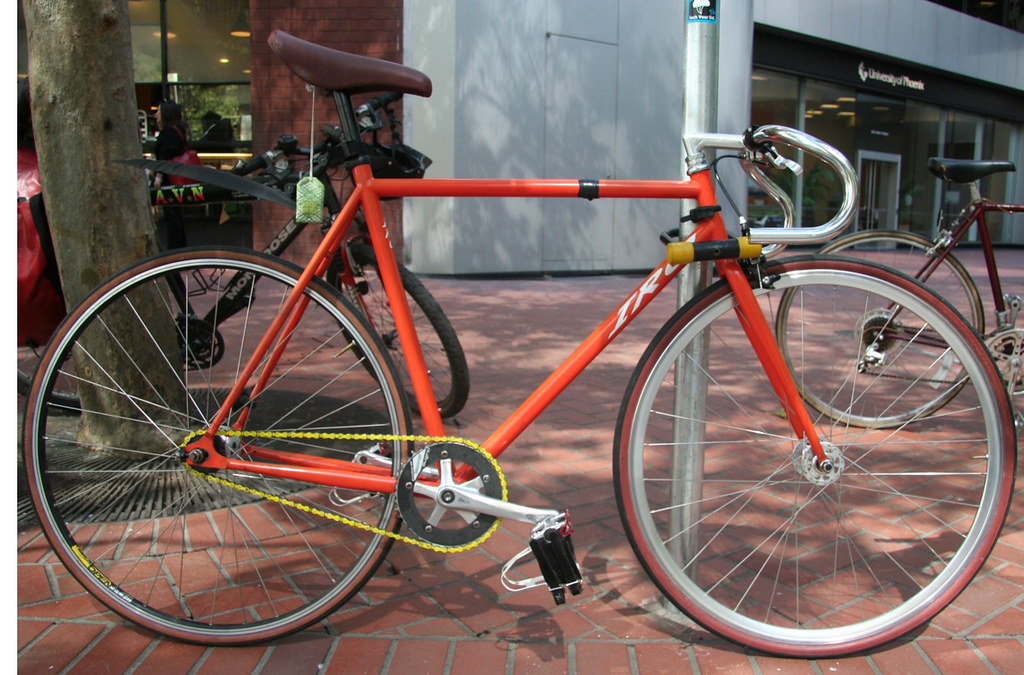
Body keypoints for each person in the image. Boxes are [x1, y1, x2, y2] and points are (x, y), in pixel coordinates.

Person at [152, 100, 189, 248]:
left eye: (158, 112)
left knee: (172, 217)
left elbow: (165, 157)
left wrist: (158, 179)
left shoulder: (169, 131)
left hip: (169, 181)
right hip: (174, 180)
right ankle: (178, 249)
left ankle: (175, 251)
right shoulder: (177, 129)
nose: (155, 115)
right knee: (174, 217)